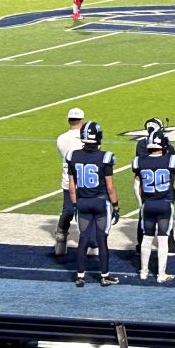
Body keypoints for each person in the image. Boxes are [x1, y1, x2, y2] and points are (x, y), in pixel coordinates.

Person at [66, 120, 120, 287]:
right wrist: (116, 206)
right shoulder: (105, 157)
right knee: (101, 239)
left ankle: (80, 276)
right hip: (100, 202)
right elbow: (110, 187)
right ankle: (104, 276)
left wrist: (75, 205)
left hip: (82, 202)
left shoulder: (72, 156)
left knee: (83, 238)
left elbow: (71, 187)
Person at [132, 129, 175, 283]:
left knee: (146, 239)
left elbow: (137, 184)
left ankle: (144, 271)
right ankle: (161, 274)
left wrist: (142, 203)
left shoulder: (139, 161)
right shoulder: (171, 160)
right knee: (162, 240)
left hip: (148, 204)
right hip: (165, 203)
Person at [54, 108, 86, 256]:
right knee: (86, 211)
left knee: (68, 209)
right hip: (85, 179)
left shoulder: (61, 138)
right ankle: (87, 241)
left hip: (68, 178)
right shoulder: (86, 138)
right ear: (82, 120)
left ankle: (61, 233)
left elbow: (63, 155)